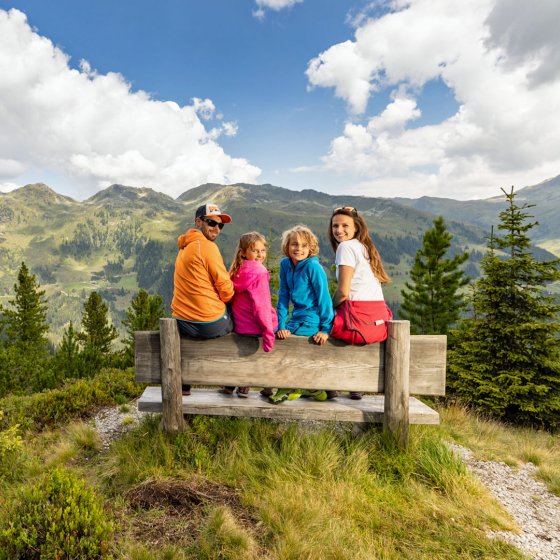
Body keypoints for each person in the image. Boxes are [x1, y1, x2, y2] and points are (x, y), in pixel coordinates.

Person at [328, 206, 392, 399]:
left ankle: (327, 384)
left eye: (345, 225)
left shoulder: (345, 247)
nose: (339, 230)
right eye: (335, 226)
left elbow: (343, 292)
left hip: (358, 320)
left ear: (356, 227)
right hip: (378, 321)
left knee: (318, 324)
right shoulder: (363, 247)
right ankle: (355, 384)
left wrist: (328, 308)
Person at [171, 202, 235, 396]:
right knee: (238, 318)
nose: (216, 228)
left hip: (181, 320)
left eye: (220, 225)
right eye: (211, 223)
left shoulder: (185, 245)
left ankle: (185, 382)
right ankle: (232, 381)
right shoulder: (207, 247)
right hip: (208, 322)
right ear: (198, 222)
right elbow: (226, 290)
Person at [270, 225, 334, 403]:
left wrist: (326, 329)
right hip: (296, 317)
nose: (299, 249)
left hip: (313, 317)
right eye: (294, 244)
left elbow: (324, 299)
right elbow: (283, 296)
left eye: (304, 245)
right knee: (280, 338)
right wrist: (281, 325)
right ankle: (311, 389)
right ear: (287, 246)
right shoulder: (285, 265)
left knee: (294, 346)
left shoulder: (313, 268)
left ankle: (290, 387)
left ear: (310, 248)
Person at [229, 231, 278, 398]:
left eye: (262, 250)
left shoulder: (237, 270)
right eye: (255, 250)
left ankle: (234, 384)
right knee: (279, 329)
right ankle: (267, 387)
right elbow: (261, 307)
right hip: (254, 326)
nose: (260, 255)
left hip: (240, 325)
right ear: (243, 252)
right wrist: (268, 333)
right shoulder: (259, 272)